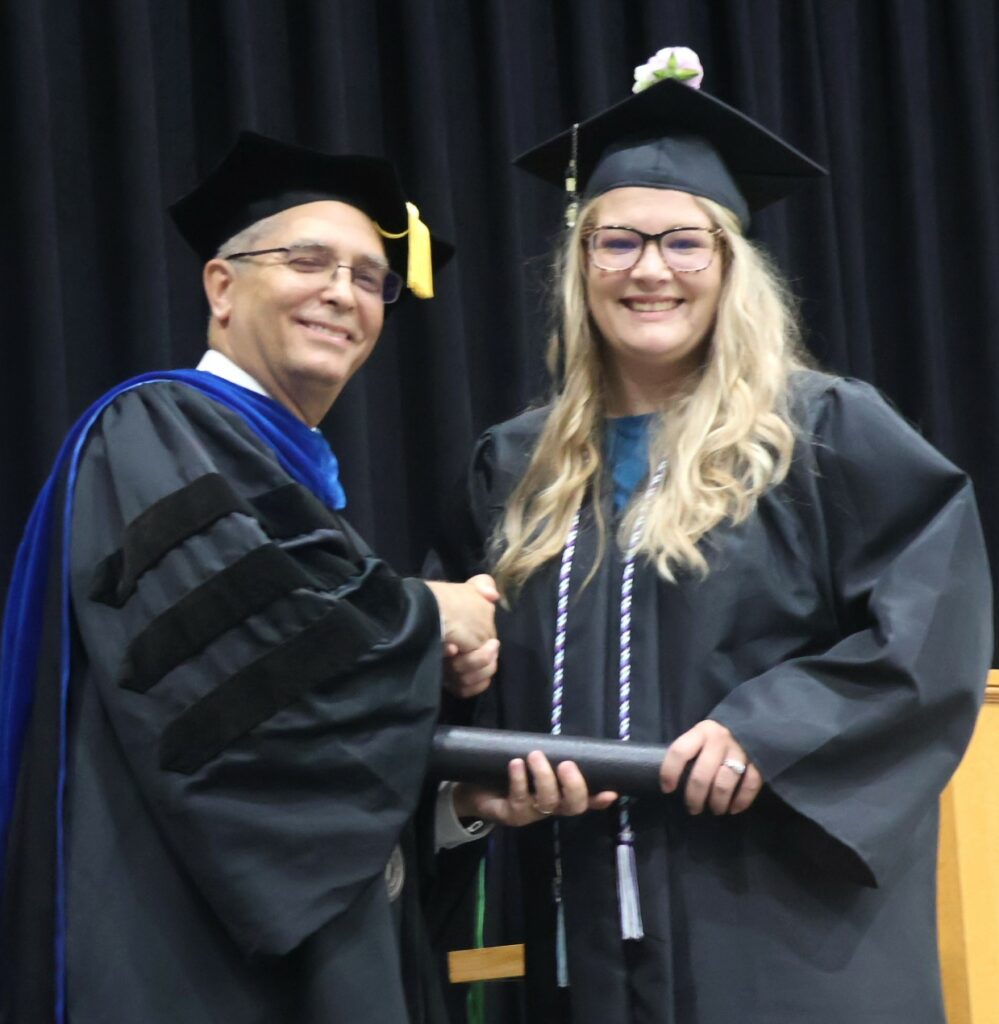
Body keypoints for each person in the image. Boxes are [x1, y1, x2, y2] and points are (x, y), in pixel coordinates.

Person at [435, 50, 993, 1024]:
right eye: (616, 242)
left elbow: (930, 625)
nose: (650, 269)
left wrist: (770, 728)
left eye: (684, 243)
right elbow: (457, 664)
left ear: (731, 265)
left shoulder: (821, 435)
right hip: (578, 946)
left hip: (777, 939)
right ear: (579, 265)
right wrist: (475, 774)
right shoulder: (515, 466)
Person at [0, 131, 501, 1024]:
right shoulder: (154, 427)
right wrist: (430, 617)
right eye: (307, 261)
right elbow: (249, 684)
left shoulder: (284, 481)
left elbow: (309, 715)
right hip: (178, 957)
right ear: (221, 287)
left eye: (370, 277)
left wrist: (458, 800)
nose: (342, 292)